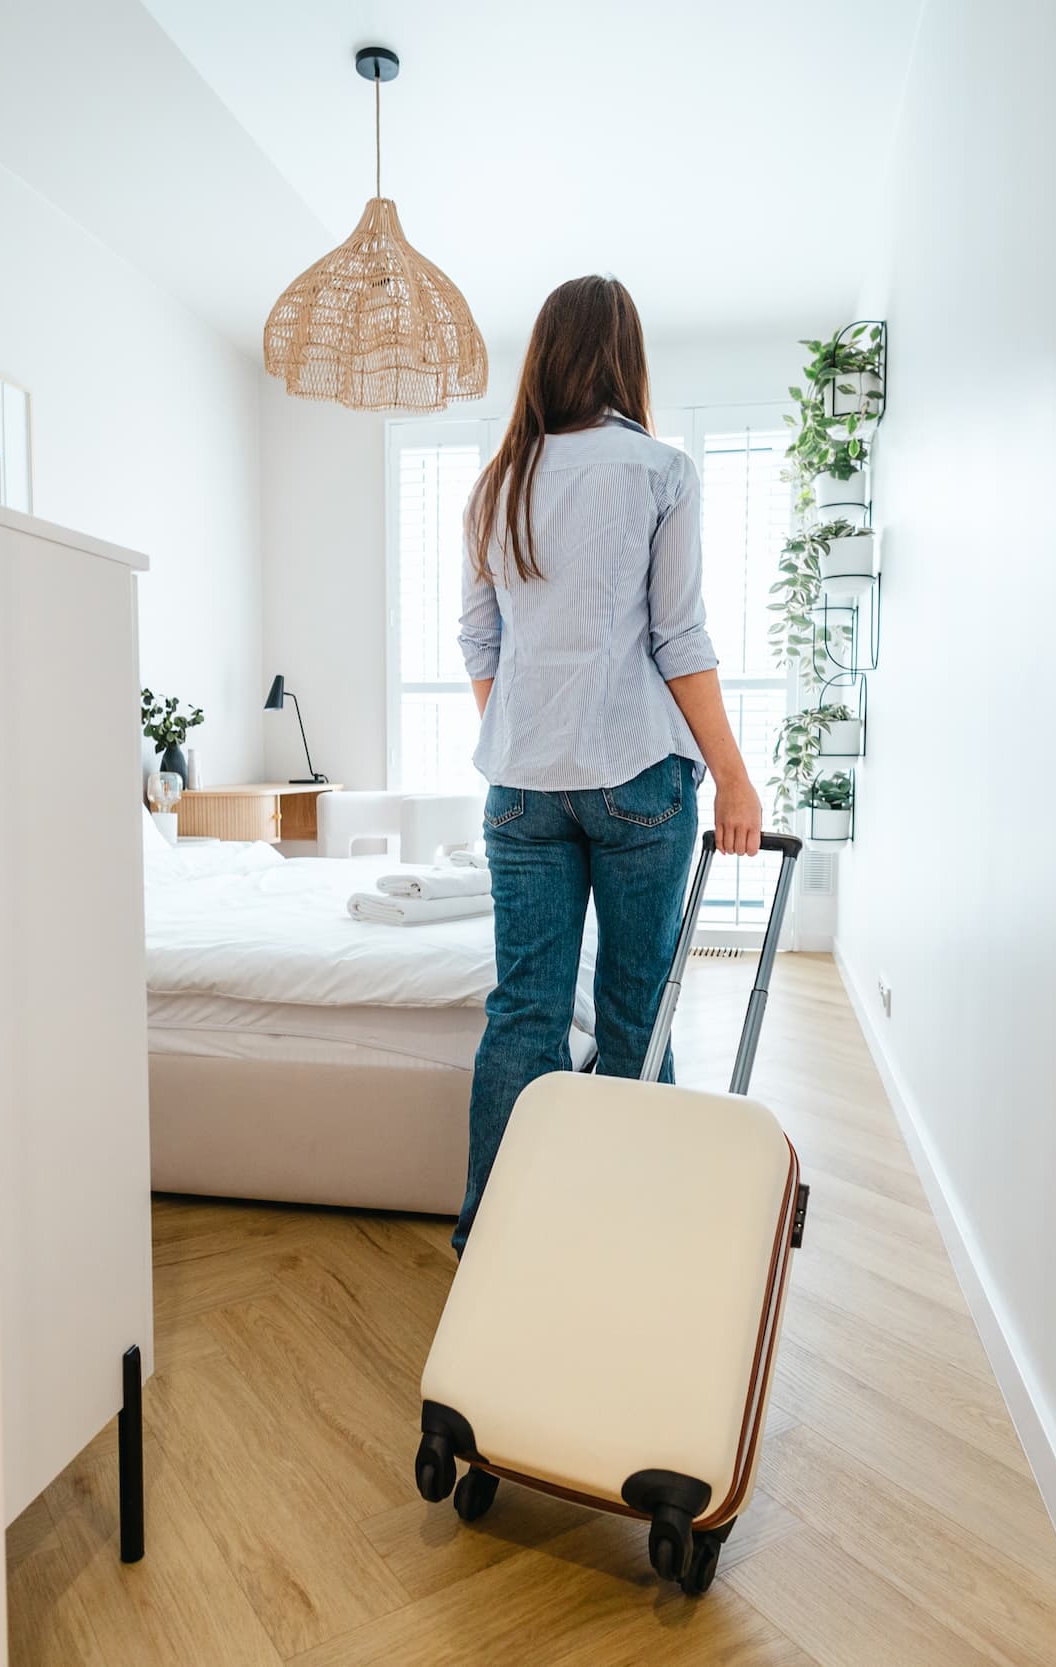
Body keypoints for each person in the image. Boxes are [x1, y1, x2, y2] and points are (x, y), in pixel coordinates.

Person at [453, 273, 765, 1254]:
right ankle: (631, 1239)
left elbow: (477, 643)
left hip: (520, 788)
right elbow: (678, 638)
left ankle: (495, 1241)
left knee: (524, 1014)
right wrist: (734, 775)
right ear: (624, 356)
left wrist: (529, 735)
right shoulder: (659, 472)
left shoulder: (495, 481)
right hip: (637, 779)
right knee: (637, 1010)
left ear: (543, 356)